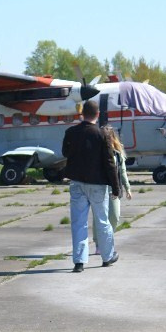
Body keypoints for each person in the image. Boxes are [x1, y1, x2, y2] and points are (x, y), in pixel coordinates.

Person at [62, 99, 120, 272]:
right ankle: (107, 257)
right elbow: (109, 162)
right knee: (102, 220)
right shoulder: (102, 135)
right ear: (98, 114)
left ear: (82, 113)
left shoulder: (71, 132)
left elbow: (65, 152)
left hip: (77, 182)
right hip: (98, 184)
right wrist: (116, 186)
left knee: (79, 222)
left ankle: (79, 262)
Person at [93, 125, 133, 252]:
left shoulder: (118, 154)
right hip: (99, 189)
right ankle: (99, 243)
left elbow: (123, 171)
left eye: (107, 138)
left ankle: (107, 239)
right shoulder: (96, 154)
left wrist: (127, 188)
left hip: (114, 189)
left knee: (115, 216)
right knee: (99, 217)